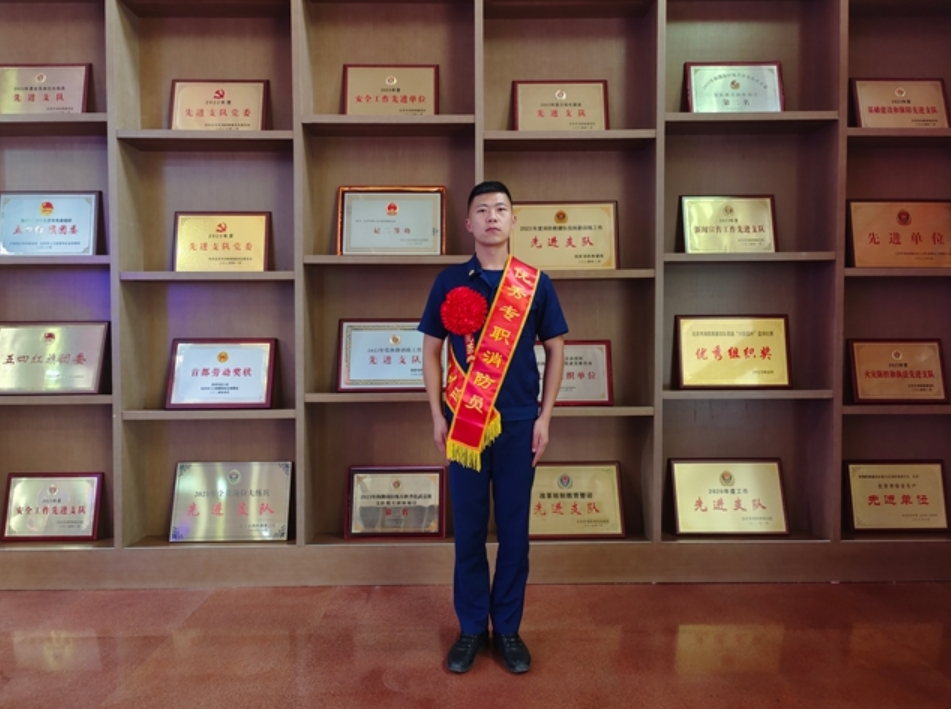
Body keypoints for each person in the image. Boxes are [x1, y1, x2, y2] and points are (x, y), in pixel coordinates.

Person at [418, 181, 567, 674]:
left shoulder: (534, 283)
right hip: (464, 425)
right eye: (482, 210)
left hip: (520, 423)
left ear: (513, 220)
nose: (492, 217)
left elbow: (557, 348)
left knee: (515, 533)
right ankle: (469, 629)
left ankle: (507, 630)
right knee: (468, 531)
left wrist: (545, 417)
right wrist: (437, 415)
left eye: (501, 209)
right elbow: (431, 350)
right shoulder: (449, 281)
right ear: (469, 223)